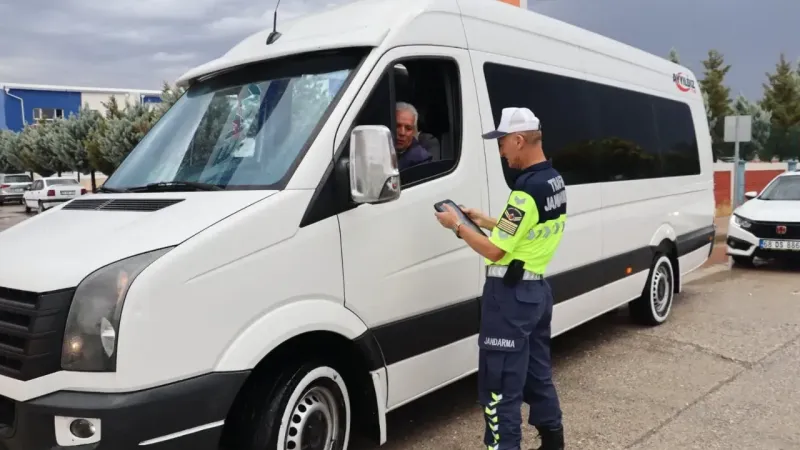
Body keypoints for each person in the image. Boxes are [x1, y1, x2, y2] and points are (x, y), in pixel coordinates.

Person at [434, 107, 567, 450]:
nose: (501, 151)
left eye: (502, 142)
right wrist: (485, 220)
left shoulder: (525, 191)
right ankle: (553, 442)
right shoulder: (552, 180)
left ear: (519, 140)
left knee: (499, 388)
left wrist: (458, 226)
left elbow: (495, 251)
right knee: (537, 375)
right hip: (536, 292)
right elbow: (528, 229)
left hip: (510, 298)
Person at [395, 102, 433, 170]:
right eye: (397, 126)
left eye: (408, 128)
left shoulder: (421, 160)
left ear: (413, 131)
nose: (402, 133)